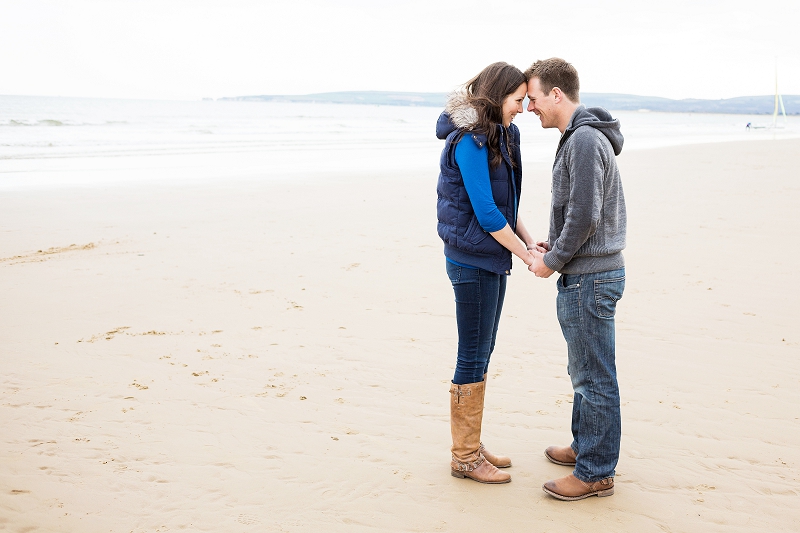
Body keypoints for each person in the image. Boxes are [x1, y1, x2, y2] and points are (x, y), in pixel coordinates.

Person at [525, 58, 627, 500]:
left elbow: (587, 214)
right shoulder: (579, 137)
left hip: (590, 277)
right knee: (582, 369)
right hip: (586, 270)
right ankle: (585, 446)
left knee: (594, 376)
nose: (529, 108)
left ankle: (595, 471)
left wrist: (555, 260)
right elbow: (578, 212)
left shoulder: (584, 140)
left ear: (556, 95)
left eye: (533, 98)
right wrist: (556, 245)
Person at [435, 62, 534, 484]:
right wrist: (528, 258)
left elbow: (508, 206)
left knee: (484, 348)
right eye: (518, 101)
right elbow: (488, 213)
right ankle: (464, 457)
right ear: (498, 98)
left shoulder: (501, 134)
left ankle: (471, 444)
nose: (524, 108)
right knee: (472, 353)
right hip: (471, 260)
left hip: (493, 255)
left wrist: (529, 242)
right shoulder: (469, 142)